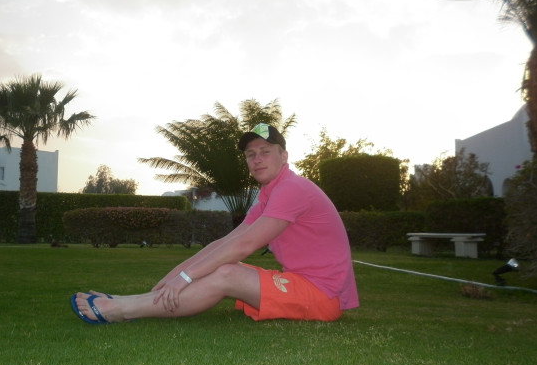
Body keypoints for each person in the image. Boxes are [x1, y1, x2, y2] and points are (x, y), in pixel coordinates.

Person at [71, 123, 359, 325]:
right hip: (301, 284)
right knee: (224, 266)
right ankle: (132, 301)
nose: (257, 159)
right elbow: (226, 243)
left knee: (228, 274)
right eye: (250, 154)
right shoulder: (270, 193)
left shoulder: (292, 189)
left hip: (322, 295)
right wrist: (172, 277)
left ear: (284, 156)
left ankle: (122, 310)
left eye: (265, 151)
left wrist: (185, 278)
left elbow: (246, 245)